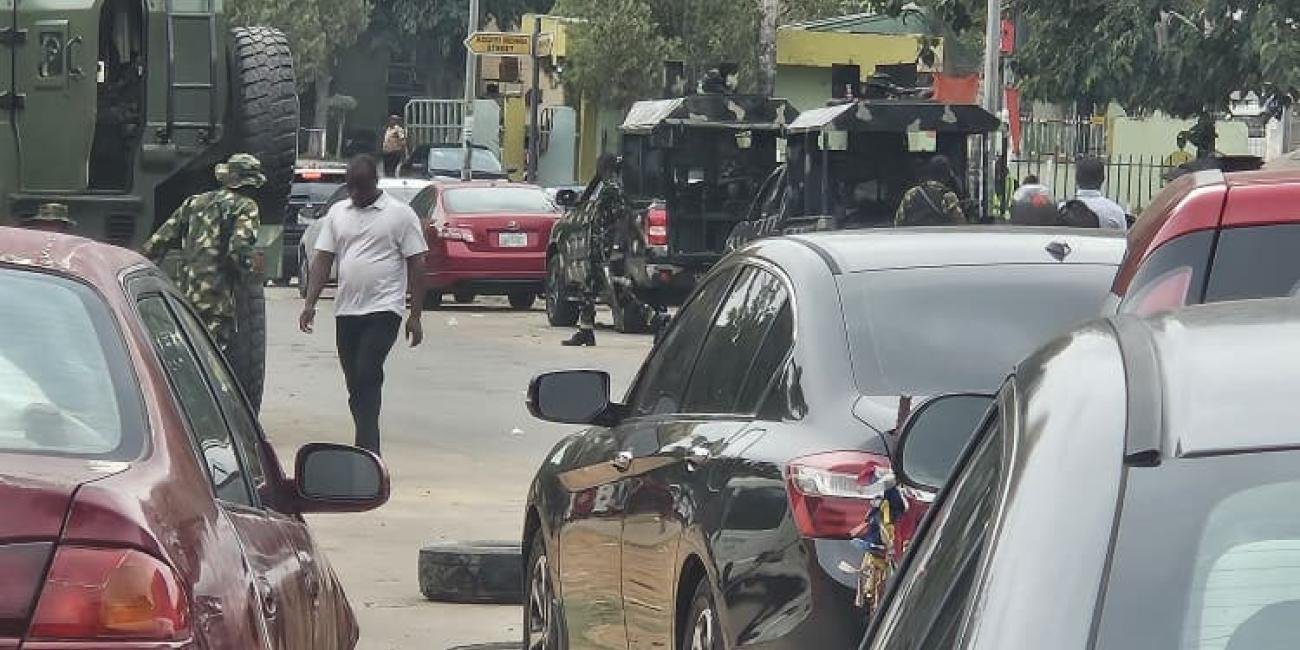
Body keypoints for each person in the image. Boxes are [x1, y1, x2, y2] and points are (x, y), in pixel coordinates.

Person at [299, 155, 427, 456]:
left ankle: (369, 447)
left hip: (384, 309)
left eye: (362, 188)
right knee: (354, 380)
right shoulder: (337, 213)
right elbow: (323, 259)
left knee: (368, 370)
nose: (356, 194)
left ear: (375, 183)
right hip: (346, 310)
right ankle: (365, 434)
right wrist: (310, 303)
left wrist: (415, 315)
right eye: (351, 188)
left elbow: (417, 264)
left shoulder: (400, 214)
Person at [143, 154, 263, 354]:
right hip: (216, 298)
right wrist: (250, 273)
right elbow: (238, 248)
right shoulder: (246, 207)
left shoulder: (194, 203)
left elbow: (159, 241)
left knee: (185, 349)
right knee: (211, 356)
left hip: (185, 294)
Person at [562, 154, 625, 347]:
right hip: (597, 247)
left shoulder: (611, 189)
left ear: (604, 167)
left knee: (617, 291)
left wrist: (614, 247)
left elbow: (620, 218)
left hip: (603, 248)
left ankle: (655, 317)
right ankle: (586, 330)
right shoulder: (606, 187)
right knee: (588, 289)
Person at [895, 156, 965, 226]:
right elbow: (960, 223)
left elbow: (898, 222)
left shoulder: (912, 193)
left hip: (914, 235)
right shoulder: (948, 196)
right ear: (946, 176)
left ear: (929, 173)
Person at [1065, 157, 1128, 231]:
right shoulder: (1116, 212)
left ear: (1076, 179)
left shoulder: (1063, 209)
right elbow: (1123, 240)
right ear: (1103, 179)